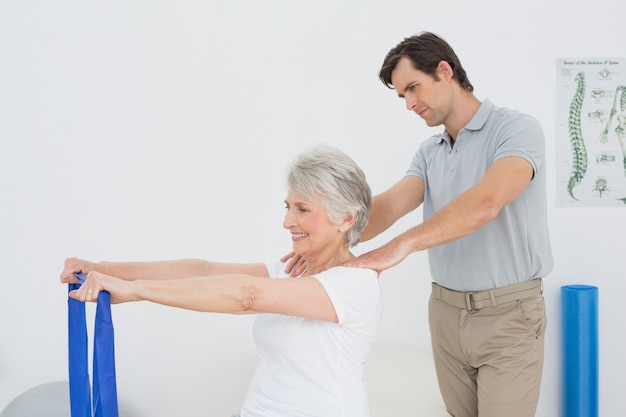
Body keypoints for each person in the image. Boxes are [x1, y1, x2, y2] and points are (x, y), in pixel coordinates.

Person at [285, 32, 553, 417]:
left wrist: (400, 246)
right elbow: (389, 207)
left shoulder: (516, 131)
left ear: (445, 71)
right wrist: (321, 239)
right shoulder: (430, 153)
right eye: (402, 96)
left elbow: (486, 203)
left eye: (414, 88)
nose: (410, 104)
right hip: (445, 313)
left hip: (509, 316)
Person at [60, 145, 383, 417]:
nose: (287, 221)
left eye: (302, 209)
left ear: (346, 218)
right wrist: (100, 268)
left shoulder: (355, 284)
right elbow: (201, 270)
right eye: (287, 206)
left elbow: (246, 296)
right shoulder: (291, 269)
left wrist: (135, 290)